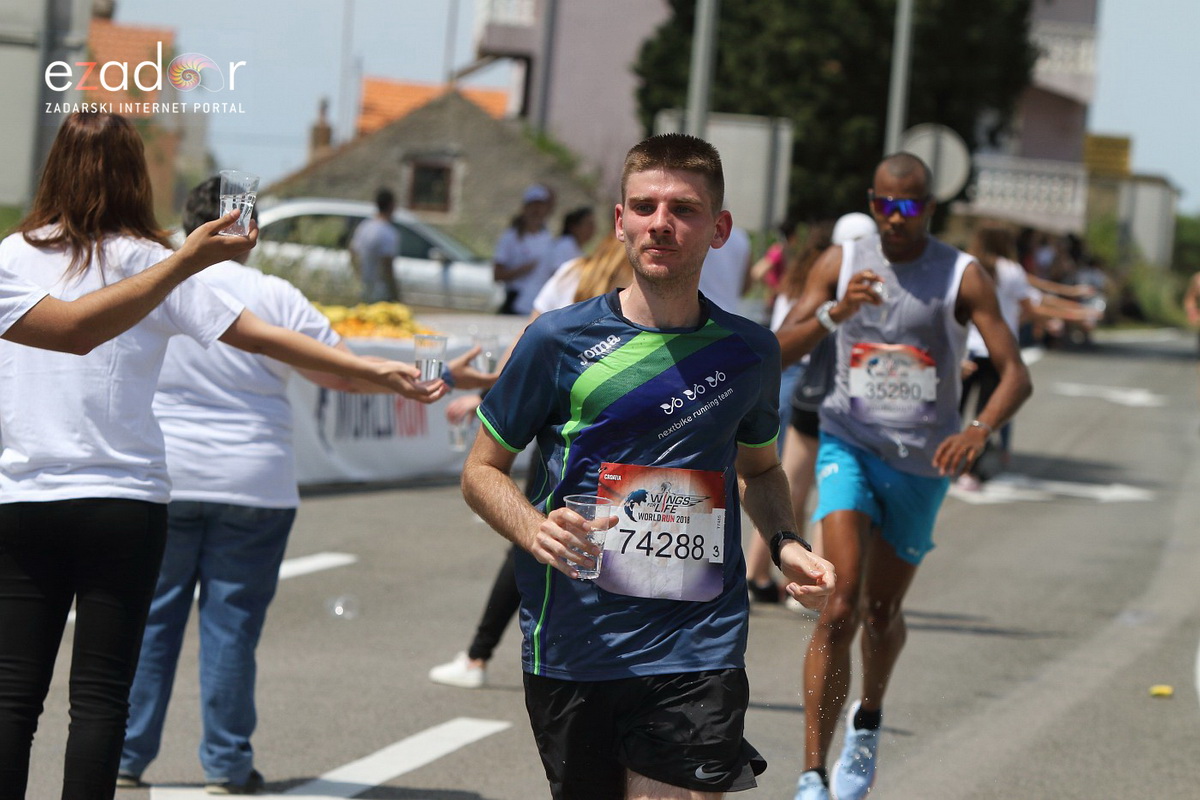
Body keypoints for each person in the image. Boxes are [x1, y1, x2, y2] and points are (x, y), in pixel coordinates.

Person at [0, 111, 445, 800]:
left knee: (11, 696)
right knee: (98, 698)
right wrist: (374, 373)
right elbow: (262, 337)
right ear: (135, 176)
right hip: (126, 500)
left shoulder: (10, 256)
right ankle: (224, 760)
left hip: (26, 499)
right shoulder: (154, 263)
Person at [460, 133, 834, 799]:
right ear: (620, 221)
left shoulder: (749, 351)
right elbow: (483, 469)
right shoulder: (557, 340)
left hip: (698, 641)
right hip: (576, 640)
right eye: (646, 206)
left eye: (684, 209)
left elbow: (763, 471)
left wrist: (785, 543)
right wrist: (531, 527)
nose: (662, 222)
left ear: (718, 229)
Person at [115, 176, 446, 793]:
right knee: (232, 627)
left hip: (165, 475)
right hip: (255, 480)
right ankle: (226, 764)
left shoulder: (156, 283)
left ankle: (126, 757)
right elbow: (340, 375)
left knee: (150, 621)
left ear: (184, 226)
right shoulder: (277, 295)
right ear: (251, 230)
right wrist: (409, 381)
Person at [776, 153, 1032, 800]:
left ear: (930, 208)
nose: (895, 217)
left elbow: (1015, 373)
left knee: (883, 611)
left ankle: (867, 721)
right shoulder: (843, 263)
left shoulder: (960, 276)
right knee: (840, 602)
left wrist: (978, 432)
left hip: (922, 461)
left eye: (910, 206)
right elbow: (776, 346)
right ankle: (810, 774)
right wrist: (836, 311)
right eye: (885, 204)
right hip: (848, 443)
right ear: (872, 200)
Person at [429, 234, 633, 689]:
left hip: (558, 430)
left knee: (538, 532)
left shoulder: (570, 274)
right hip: (621, 429)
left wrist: (485, 396)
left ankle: (479, 656)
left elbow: (523, 351)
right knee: (609, 534)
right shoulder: (644, 286)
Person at [0, 224, 252, 353]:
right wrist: (184, 261)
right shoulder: (148, 257)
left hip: (19, 451)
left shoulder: (10, 249)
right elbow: (74, 332)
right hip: (128, 453)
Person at [511, 205, 596, 316]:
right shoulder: (565, 246)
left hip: (544, 310)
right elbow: (563, 278)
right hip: (532, 307)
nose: (593, 228)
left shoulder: (576, 249)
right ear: (574, 227)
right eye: (588, 224)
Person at [493, 183, 555, 314]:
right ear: (525, 208)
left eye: (540, 206)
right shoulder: (510, 237)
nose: (537, 210)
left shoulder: (547, 238)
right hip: (515, 299)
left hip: (538, 301)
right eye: (533, 206)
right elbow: (497, 274)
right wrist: (524, 269)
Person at [349, 188, 401, 302]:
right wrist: (395, 293)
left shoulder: (365, 226)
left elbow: (352, 252)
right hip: (380, 290)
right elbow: (387, 264)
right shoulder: (389, 232)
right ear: (391, 206)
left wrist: (358, 274)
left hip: (364, 285)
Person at [698, 222, 752, 313]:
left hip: (700, 315)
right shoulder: (741, 237)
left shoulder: (695, 232)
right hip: (728, 314)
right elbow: (747, 284)